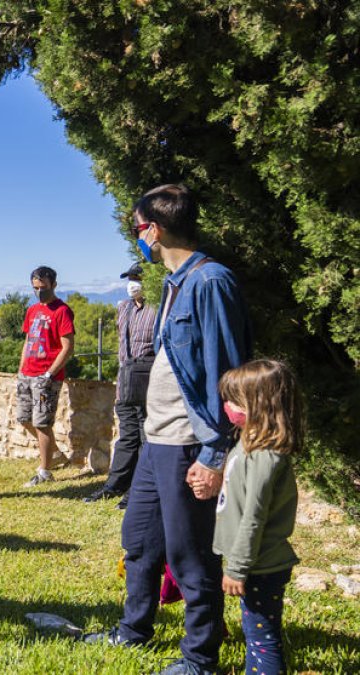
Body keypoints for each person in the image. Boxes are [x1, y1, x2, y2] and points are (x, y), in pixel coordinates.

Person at [84, 184, 251, 675]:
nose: (138, 240)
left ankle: (199, 659)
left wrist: (215, 454)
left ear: (152, 230)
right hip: (156, 444)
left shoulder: (210, 282)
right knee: (139, 540)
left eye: (138, 230)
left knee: (191, 556)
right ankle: (134, 630)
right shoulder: (174, 284)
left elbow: (229, 372)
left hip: (187, 444)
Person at [215, 360, 300, 675]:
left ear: (260, 407)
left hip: (259, 565)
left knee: (262, 639)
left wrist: (236, 569)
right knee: (256, 636)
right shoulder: (248, 444)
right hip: (255, 564)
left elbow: (253, 518)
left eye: (236, 401)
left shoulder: (265, 457)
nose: (228, 407)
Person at [85, 262, 157, 509]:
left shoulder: (157, 308)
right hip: (126, 379)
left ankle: (139, 489)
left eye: (137, 278)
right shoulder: (124, 308)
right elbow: (121, 347)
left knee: (147, 437)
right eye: (130, 278)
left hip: (149, 379)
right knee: (127, 435)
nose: (133, 283)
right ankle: (115, 485)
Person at [16, 265, 75, 487]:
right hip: (27, 374)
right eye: (35, 288)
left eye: (42, 287)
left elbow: (67, 347)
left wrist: (50, 374)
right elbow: (28, 341)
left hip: (47, 377)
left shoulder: (62, 311)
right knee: (24, 418)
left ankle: (45, 471)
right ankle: (54, 453)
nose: (38, 291)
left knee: (42, 422)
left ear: (53, 285)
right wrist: (21, 368)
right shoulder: (32, 311)